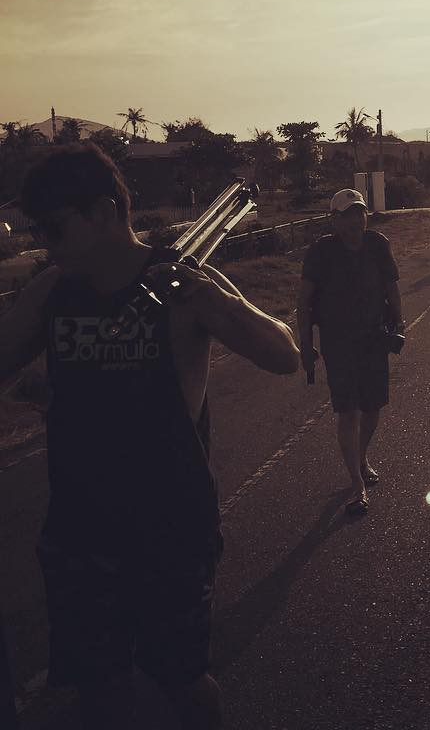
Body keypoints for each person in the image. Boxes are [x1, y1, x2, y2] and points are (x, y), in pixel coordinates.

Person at [0, 144, 299, 730]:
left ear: (103, 212)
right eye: (38, 230)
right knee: (97, 687)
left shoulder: (185, 283)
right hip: (79, 525)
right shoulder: (52, 291)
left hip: (170, 525)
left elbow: (285, 355)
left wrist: (215, 299)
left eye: (54, 228)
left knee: (182, 681)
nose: (46, 243)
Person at [298, 189, 404, 516]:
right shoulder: (321, 252)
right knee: (349, 411)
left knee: (373, 408)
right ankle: (357, 485)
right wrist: (305, 345)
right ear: (334, 220)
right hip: (338, 343)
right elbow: (303, 302)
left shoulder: (377, 244)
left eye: (359, 213)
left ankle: (360, 457)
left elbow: (391, 287)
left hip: (374, 338)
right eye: (347, 215)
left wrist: (399, 324)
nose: (356, 220)